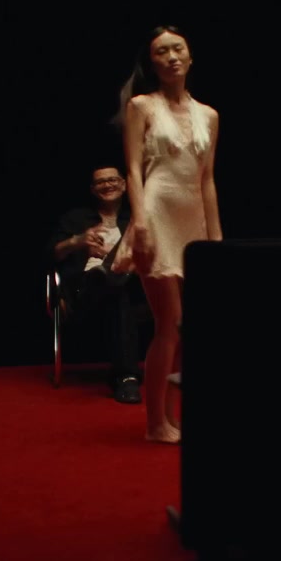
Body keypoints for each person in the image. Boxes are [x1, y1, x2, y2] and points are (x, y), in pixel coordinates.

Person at [110, 25, 223, 444]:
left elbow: (207, 179)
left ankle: (173, 416)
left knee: (190, 328)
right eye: (162, 51)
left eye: (178, 49)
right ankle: (155, 422)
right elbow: (133, 169)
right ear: (152, 62)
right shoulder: (142, 106)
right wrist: (139, 221)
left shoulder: (208, 115)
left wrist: (216, 238)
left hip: (192, 219)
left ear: (190, 57)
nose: (172, 57)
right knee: (169, 323)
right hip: (155, 214)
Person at [47, 161, 148, 404]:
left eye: (112, 180)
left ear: (124, 185)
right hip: (83, 295)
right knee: (108, 283)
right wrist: (77, 241)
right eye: (100, 182)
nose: (107, 185)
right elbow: (52, 255)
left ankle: (108, 272)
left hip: (132, 292)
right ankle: (127, 378)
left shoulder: (137, 220)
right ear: (93, 189)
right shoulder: (76, 219)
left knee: (119, 290)